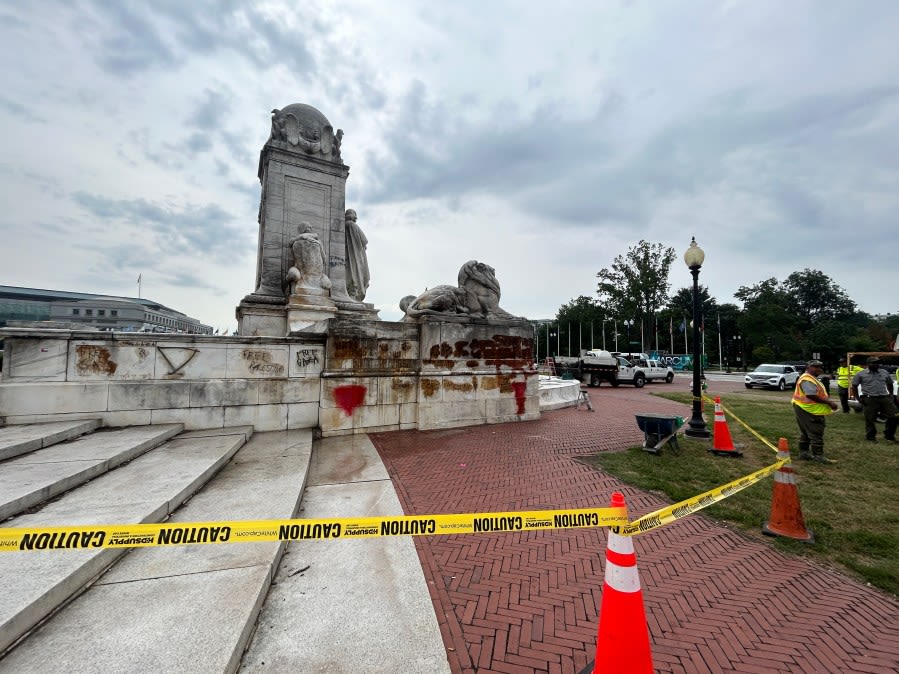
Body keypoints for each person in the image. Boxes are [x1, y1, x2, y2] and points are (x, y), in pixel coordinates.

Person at [791, 359, 838, 464]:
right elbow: (811, 395)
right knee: (816, 431)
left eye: (820, 367)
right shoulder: (807, 379)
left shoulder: (811, 378)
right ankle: (818, 456)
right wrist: (829, 402)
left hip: (805, 408)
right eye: (815, 367)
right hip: (809, 410)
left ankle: (804, 453)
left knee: (806, 431)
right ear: (808, 368)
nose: (819, 369)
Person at [850, 356, 898, 443]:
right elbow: (854, 386)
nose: (876, 364)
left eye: (877, 363)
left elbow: (890, 384)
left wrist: (890, 395)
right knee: (870, 419)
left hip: (884, 397)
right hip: (869, 398)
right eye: (874, 363)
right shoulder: (861, 374)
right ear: (868, 364)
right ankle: (871, 437)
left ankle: (889, 435)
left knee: (894, 416)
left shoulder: (884, 372)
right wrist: (858, 398)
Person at [344, 209, 370, 302]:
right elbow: (364, 241)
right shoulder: (353, 225)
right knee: (357, 275)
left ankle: (351, 293)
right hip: (356, 256)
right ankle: (354, 295)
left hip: (347, 257)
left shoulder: (343, 226)